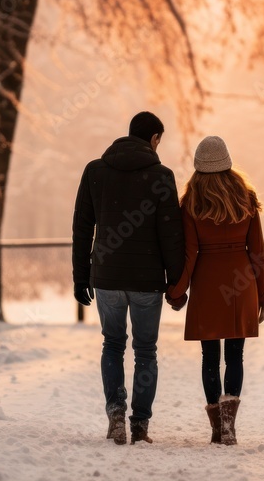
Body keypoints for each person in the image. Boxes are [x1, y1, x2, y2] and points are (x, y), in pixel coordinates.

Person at [72, 111, 185, 445]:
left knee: (112, 344)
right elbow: (171, 234)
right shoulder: (161, 176)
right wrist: (176, 283)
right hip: (147, 280)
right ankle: (140, 425)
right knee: (145, 351)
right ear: (154, 139)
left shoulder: (95, 171)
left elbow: (82, 227)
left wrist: (81, 276)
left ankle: (116, 414)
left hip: (106, 276)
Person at [166, 135, 264, 446]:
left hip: (208, 283)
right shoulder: (246, 197)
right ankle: (229, 425)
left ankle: (215, 427)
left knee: (209, 357)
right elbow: (258, 252)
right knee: (235, 354)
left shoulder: (191, 202)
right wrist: (263, 296)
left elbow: (190, 253)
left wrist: (177, 291)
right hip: (241, 282)